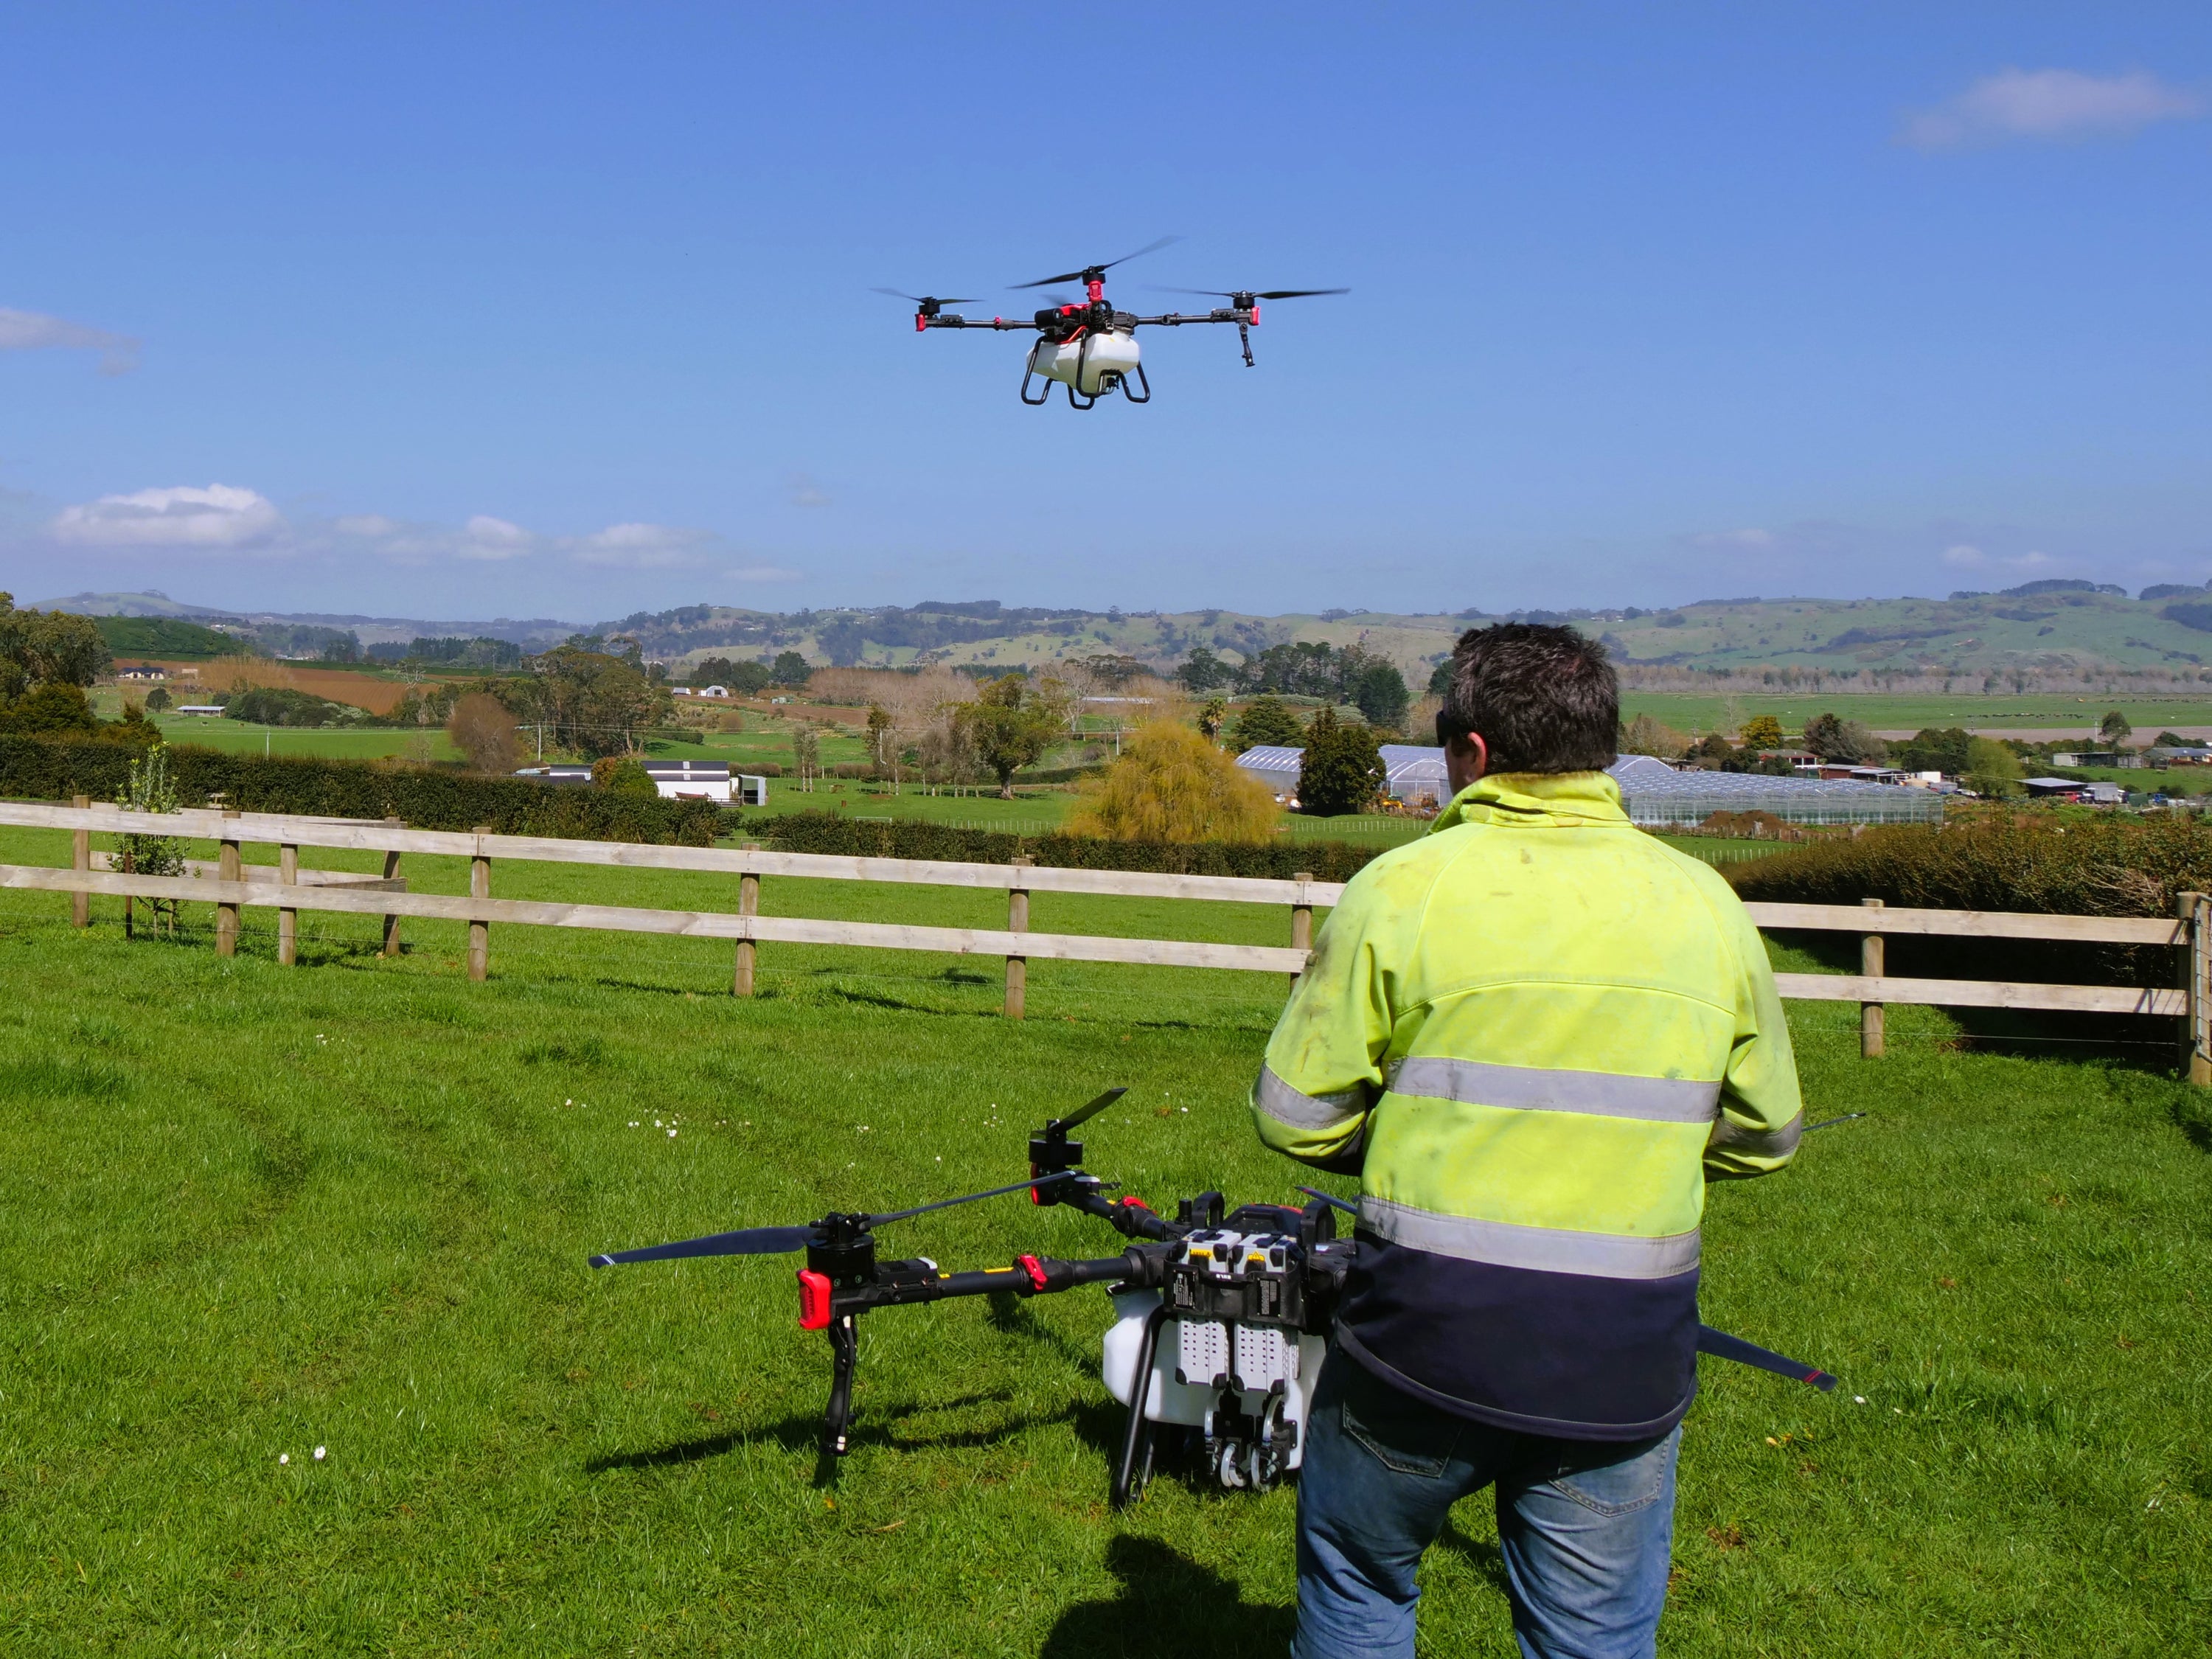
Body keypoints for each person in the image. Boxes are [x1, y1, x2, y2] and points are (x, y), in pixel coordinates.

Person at [1252, 623, 1803, 1659]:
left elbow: (1294, 1111)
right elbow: (1769, 1132)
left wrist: (1400, 1141)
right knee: (1593, 1638)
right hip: (1619, 1357)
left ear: (1473, 753)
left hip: (1420, 1337)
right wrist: (1638, 1154)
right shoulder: (1706, 903)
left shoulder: (1403, 889)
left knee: (1360, 1586)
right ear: (1602, 748)